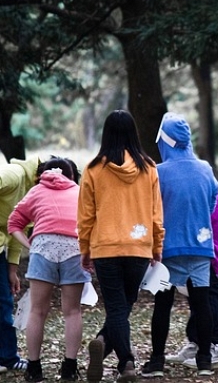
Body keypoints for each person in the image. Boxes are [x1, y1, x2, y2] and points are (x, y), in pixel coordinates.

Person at [77, 110, 165, 383]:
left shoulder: (93, 169)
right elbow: (155, 213)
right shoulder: (149, 167)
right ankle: (125, 361)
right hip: (138, 247)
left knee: (117, 307)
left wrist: (85, 249)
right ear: (133, 133)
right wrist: (157, 245)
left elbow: (86, 216)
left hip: (105, 248)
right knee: (123, 306)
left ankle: (108, 345)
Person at [141, 112, 218, 378]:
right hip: (200, 246)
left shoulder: (157, 173)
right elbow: (212, 203)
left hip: (168, 249)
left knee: (163, 305)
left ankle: (157, 362)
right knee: (202, 305)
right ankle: (205, 360)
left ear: (164, 140)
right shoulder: (205, 168)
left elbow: (151, 210)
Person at [8, 157, 90, 382]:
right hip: (74, 246)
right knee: (72, 311)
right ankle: (69, 368)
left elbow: (13, 223)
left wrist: (30, 244)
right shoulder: (79, 191)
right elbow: (91, 223)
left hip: (43, 247)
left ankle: (34, 368)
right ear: (71, 175)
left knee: (37, 311)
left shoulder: (36, 191)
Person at [167, 188, 218, 369]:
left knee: (212, 288)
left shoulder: (166, 183)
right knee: (196, 287)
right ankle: (197, 342)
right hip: (209, 231)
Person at [0, 156, 40, 376]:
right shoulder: (14, 175)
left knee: (4, 302)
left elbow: (19, 231)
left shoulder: (30, 194)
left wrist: (12, 269)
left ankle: (7, 357)